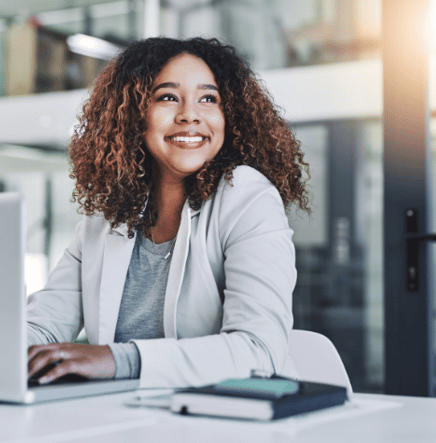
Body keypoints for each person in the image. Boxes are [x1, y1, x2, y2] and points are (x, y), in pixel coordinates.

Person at [26, 37, 309, 389]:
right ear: (134, 115)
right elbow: (44, 324)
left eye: (209, 98)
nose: (190, 114)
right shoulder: (108, 212)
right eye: (168, 97)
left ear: (229, 115)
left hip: (237, 418)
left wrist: (118, 359)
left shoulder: (247, 196)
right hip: (133, 415)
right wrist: (2, 347)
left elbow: (259, 351)